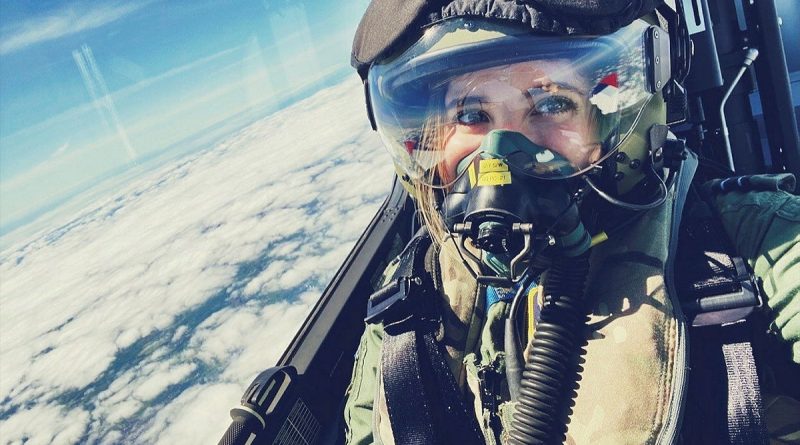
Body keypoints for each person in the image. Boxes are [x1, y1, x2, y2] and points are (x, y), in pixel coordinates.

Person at [343, 1, 800, 444]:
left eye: (551, 104)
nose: (502, 153)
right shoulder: (411, 298)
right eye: (471, 115)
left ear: (606, 119)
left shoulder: (755, 243)